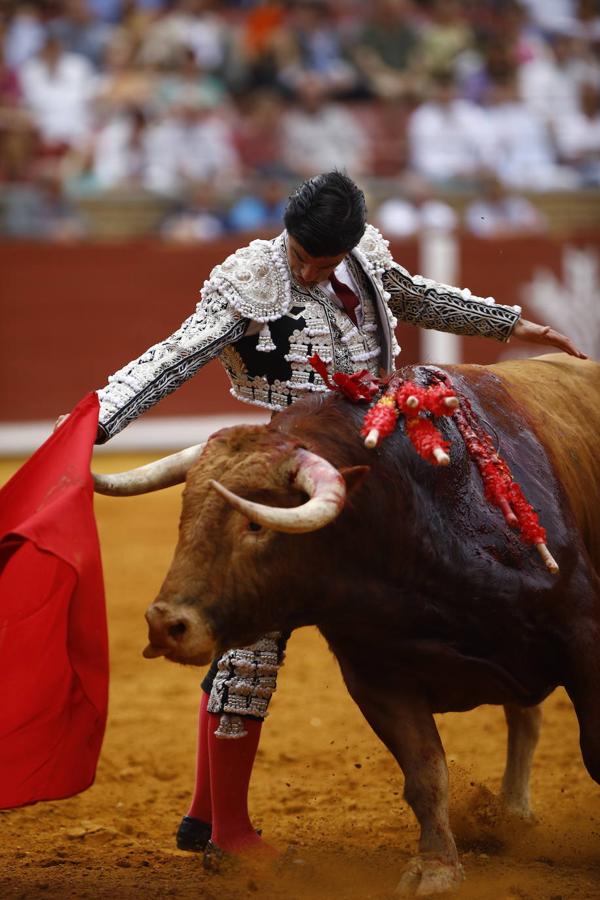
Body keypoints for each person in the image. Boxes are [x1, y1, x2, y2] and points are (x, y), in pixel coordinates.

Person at [57, 171, 584, 868]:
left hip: (379, 460)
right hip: (283, 466)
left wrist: (508, 324)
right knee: (252, 631)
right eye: (302, 254)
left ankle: (204, 811)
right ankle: (227, 826)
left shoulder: (363, 255)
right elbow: (173, 358)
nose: (308, 268)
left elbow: (414, 296)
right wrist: (87, 426)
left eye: (323, 260)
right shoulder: (251, 276)